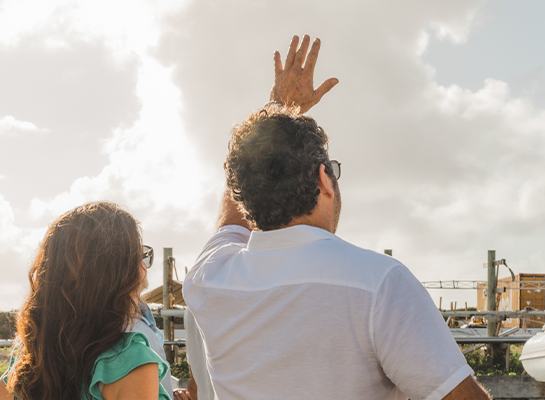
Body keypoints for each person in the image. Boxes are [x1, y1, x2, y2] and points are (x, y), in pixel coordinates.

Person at [181, 35, 490, 400]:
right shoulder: (378, 284)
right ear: (324, 178)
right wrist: (282, 106)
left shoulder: (210, 280)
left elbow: (231, 218)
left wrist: (278, 106)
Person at [0, 202, 171, 400]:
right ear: (118, 272)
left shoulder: (35, 351)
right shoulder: (129, 360)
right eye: (140, 254)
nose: (144, 265)